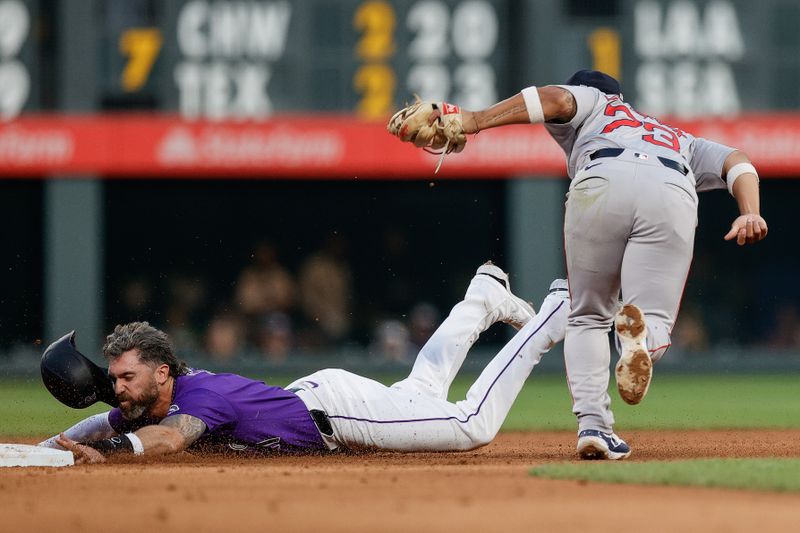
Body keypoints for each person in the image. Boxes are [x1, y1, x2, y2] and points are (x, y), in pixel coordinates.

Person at [388, 70, 768, 460]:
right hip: (671, 187)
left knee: (586, 315)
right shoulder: (679, 138)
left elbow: (554, 98)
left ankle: (594, 428)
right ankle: (638, 339)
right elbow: (738, 162)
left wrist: (473, 120)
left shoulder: (598, 101)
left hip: (600, 179)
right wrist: (750, 212)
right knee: (652, 320)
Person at [40, 263, 568, 464]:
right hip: (317, 400)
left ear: (162, 373)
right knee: (421, 391)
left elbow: (171, 440)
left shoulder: (197, 398)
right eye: (114, 378)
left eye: (126, 376)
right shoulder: (150, 402)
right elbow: (104, 419)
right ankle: (481, 296)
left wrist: (106, 452)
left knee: (470, 424)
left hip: (337, 413)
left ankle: (554, 314)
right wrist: (53, 447)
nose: (118, 388)